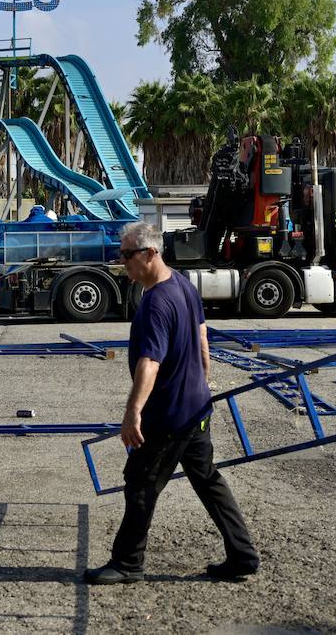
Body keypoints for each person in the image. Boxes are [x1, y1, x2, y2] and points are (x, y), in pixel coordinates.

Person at [84, 221, 259, 585]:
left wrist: (132, 413)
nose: (122, 262)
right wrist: (203, 379)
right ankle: (242, 555)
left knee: (141, 482)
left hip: (169, 416)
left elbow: (150, 363)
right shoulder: (181, 284)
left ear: (150, 254)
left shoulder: (156, 304)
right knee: (207, 479)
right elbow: (201, 334)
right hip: (196, 407)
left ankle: (128, 563)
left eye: (127, 255)